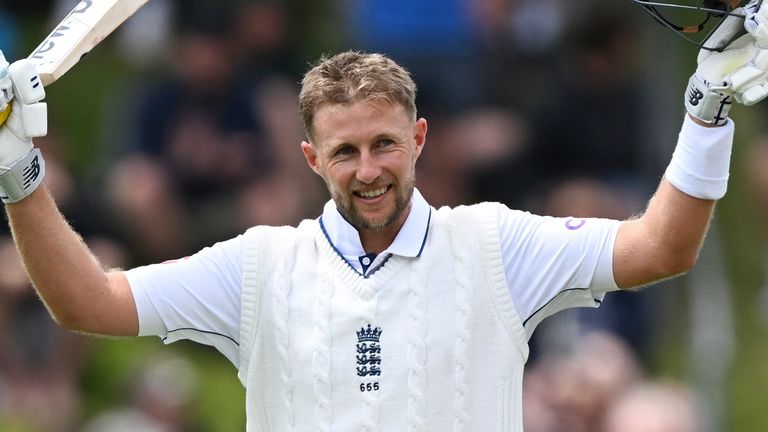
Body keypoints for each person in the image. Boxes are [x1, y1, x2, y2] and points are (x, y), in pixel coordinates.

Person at [2, 3, 768, 430]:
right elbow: (86, 303)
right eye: (345, 153)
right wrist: (19, 175)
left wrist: (706, 111)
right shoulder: (260, 266)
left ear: (419, 139)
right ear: (309, 159)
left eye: (384, 145)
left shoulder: (495, 244)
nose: (368, 171)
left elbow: (662, 247)